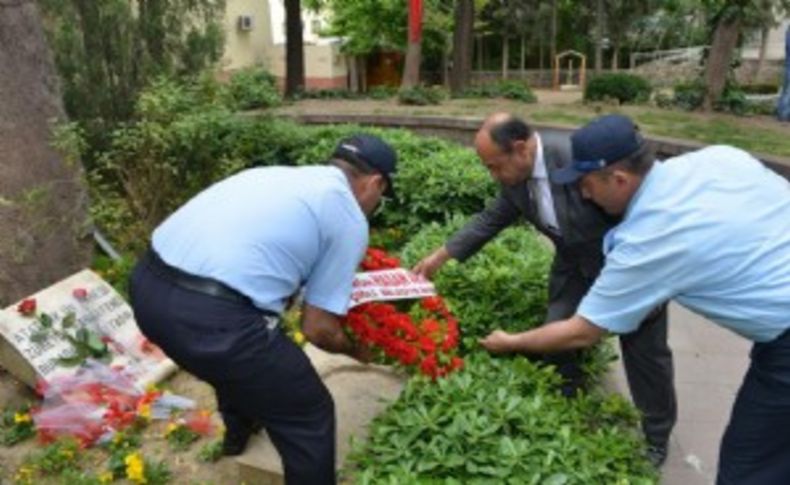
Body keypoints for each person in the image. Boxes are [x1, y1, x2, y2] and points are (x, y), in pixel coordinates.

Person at [479, 114, 790, 484]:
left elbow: (582, 332)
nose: (583, 194)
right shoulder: (719, 158)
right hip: (777, 325)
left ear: (620, 179)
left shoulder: (649, 239)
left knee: (748, 467)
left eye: (587, 184)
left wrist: (510, 342)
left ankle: (664, 440)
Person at [129, 134, 397, 485]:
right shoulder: (347, 215)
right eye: (382, 196)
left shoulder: (278, 176)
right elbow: (318, 329)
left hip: (146, 289)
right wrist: (356, 350)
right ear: (374, 183)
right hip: (210, 318)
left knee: (247, 364)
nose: (377, 204)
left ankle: (237, 436)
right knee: (308, 414)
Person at [412, 113, 676, 465]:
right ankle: (570, 399)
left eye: (494, 166)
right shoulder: (516, 177)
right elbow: (492, 218)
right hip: (572, 264)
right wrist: (440, 256)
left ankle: (656, 438)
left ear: (520, 149)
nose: (493, 175)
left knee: (645, 353)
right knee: (557, 332)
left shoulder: (574, 159)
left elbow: (634, 207)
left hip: (624, 264)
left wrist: (648, 277)